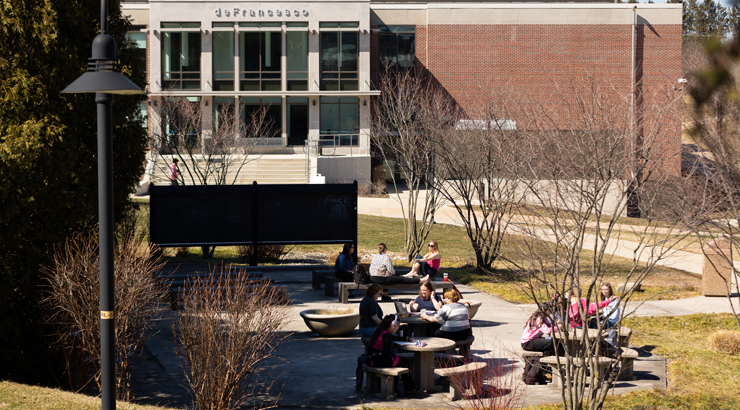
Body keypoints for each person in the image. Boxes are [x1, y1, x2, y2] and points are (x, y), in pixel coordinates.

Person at [367, 315, 421, 396]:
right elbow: (387, 353)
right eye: (398, 326)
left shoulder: (381, 331)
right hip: (379, 360)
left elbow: (394, 338)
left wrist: (407, 339)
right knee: (405, 362)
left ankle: (399, 387)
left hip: (373, 358)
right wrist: (393, 355)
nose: (398, 328)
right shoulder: (386, 335)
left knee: (400, 360)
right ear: (393, 325)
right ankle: (410, 389)